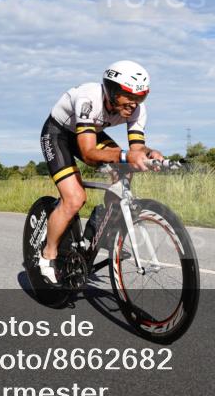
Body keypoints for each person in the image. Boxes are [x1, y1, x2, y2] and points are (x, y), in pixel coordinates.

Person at [37, 60, 164, 284]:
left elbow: (136, 150)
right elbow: (88, 154)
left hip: (90, 133)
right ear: (112, 91)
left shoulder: (136, 109)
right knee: (74, 199)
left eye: (141, 97)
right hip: (58, 134)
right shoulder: (88, 99)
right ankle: (48, 254)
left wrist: (149, 153)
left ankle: (104, 224)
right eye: (129, 96)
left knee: (125, 170)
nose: (134, 104)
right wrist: (125, 156)